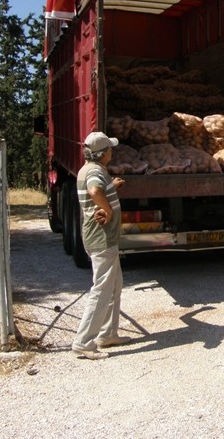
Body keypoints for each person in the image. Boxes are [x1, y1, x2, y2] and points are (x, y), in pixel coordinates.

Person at [71, 132, 131, 360]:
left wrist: (112, 186)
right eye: (110, 149)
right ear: (103, 153)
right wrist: (107, 210)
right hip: (101, 238)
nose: (112, 152)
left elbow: (99, 188)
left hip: (106, 238)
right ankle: (83, 342)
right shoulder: (95, 171)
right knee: (102, 290)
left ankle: (107, 334)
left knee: (114, 285)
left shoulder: (91, 169)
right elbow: (94, 190)